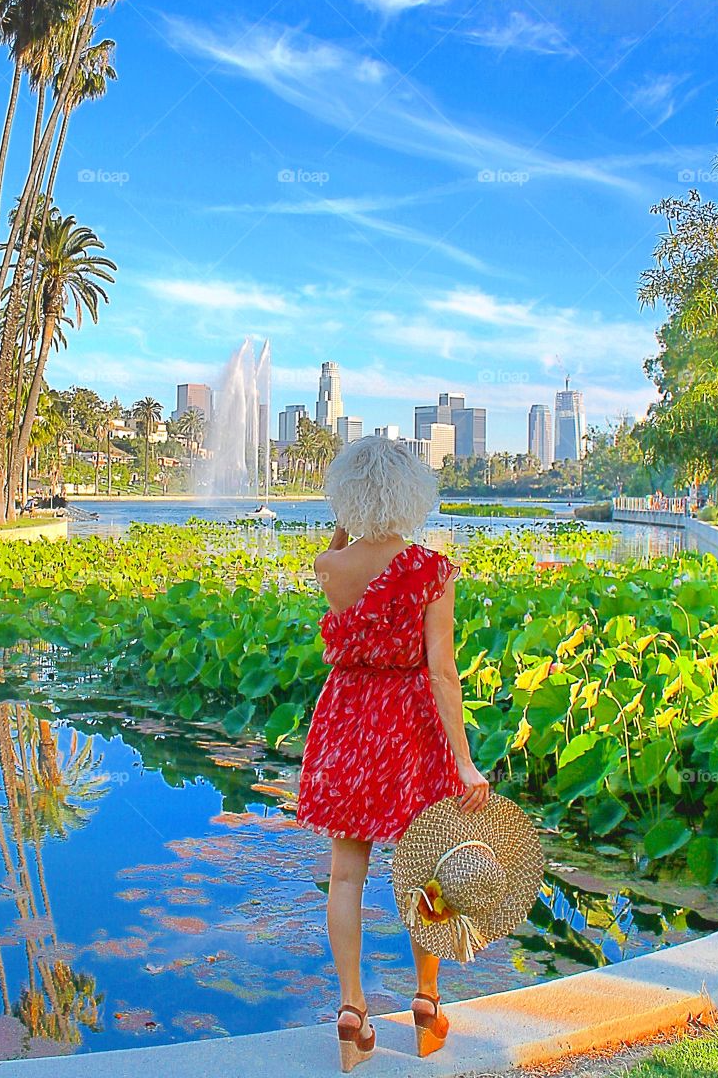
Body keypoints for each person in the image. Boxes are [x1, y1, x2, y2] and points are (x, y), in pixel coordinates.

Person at [295, 434, 488, 1070]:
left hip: (348, 719)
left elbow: (337, 554)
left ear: (346, 496)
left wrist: (344, 528)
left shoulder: (331, 569)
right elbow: (442, 673)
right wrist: (463, 761)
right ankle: (428, 1001)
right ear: (412, 495)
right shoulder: (431, 570)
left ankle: (352, 1009)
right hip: (409, 729)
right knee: (426, 874)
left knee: (346, 874)